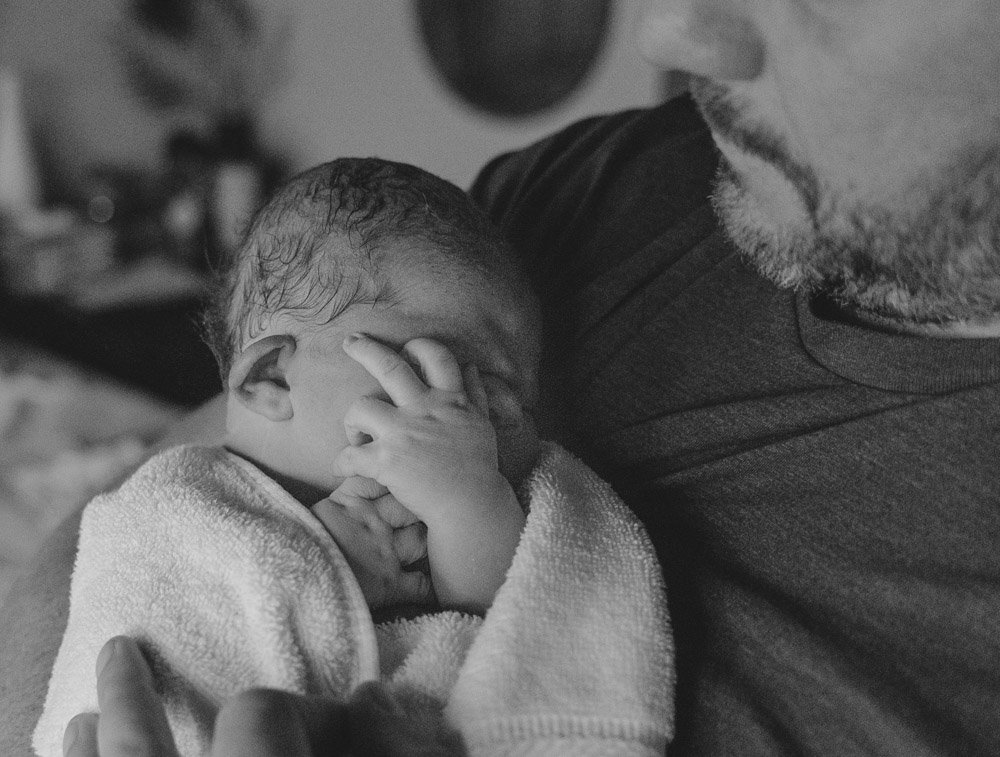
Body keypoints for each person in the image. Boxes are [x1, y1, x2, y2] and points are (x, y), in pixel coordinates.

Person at [3, 0, 1000, 754]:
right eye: (455, 373)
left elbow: (516, 595)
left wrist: (460, 499)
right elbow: (113, 536)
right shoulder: (580, 198)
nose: (671, 32)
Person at [33, 157, 671, 756]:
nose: (476, 426)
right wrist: (323, 567)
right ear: (272, 381)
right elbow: (133, 626)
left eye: (509, 402)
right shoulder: (174, 508)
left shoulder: (450, 510)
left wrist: (465, 501)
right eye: (436, 373)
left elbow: (493, 617)